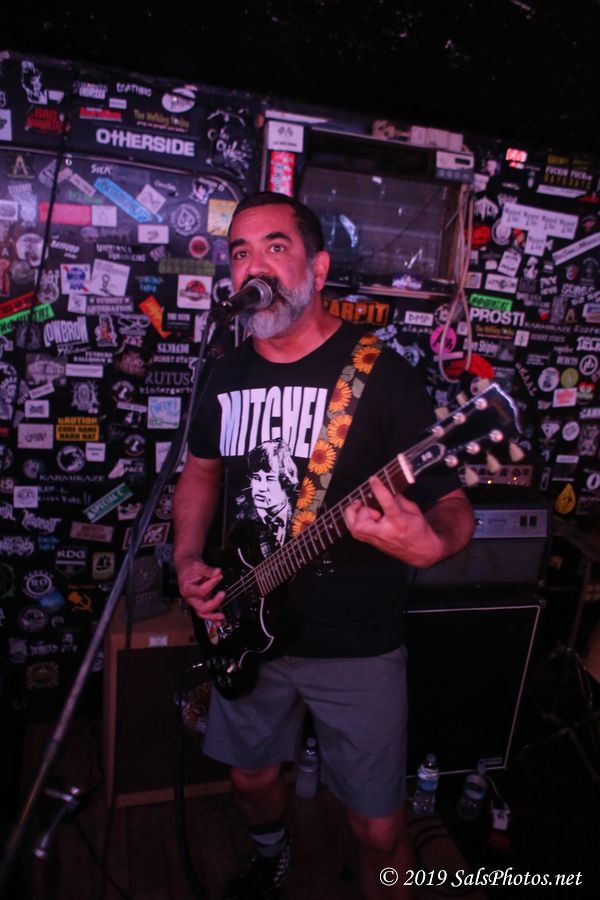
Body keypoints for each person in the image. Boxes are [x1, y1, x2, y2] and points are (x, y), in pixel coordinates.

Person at [173, 192, 474, 900]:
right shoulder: (224, 373)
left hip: (357, 644)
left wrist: (432, 545)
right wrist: (186, 559)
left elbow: (453, 505)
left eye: (275, 247)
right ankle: (271, 856)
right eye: (240, 252)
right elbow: (200, 474)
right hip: (243, 617)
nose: (254, 266)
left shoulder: (381, 374)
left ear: (318, 267)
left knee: (378, 828)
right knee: (250, 780)